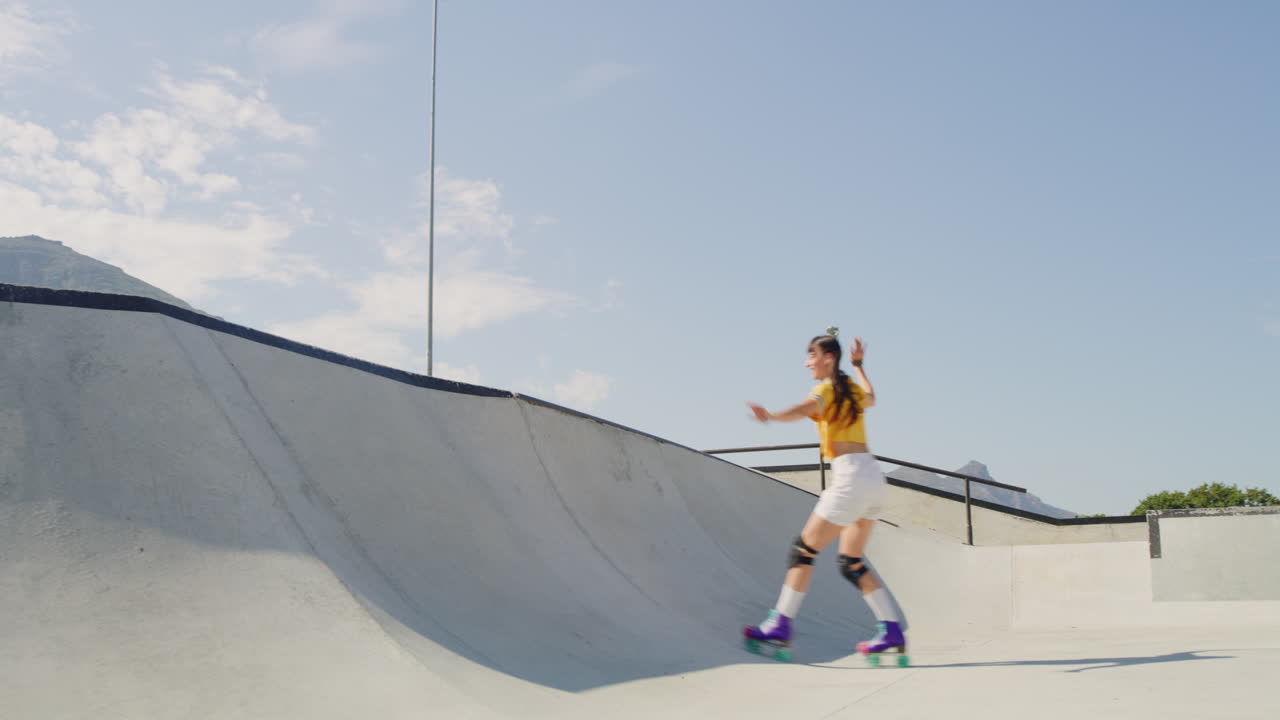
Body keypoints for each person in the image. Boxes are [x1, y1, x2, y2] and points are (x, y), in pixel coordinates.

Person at [742, 331, 907, 664]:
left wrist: (772, 416)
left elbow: (804, 409)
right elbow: (872, 395)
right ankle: (891, 628)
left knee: (802, 550)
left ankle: (780, 624)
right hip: (874, 477)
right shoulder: (853, 392)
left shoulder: (826, 389)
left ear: (827, 358)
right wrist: (860, 366)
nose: (807, 364)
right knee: (851, 562)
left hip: (850, 477)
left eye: (811, 356)